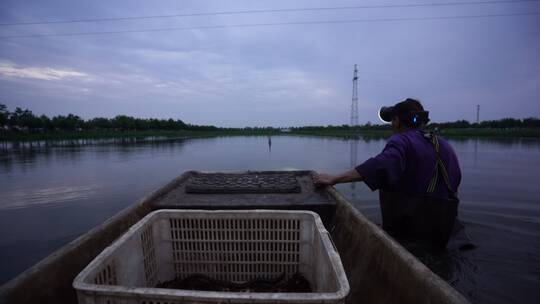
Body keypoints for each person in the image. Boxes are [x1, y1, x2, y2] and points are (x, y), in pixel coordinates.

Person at [314, 98, 467, 249]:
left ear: (397, 121)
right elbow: (455, 181)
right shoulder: (444, 145)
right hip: (445, 230)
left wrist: (335, 178)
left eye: (392, 121)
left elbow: (381, 165)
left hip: (411, 232)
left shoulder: (401, 140)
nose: (392, 126)